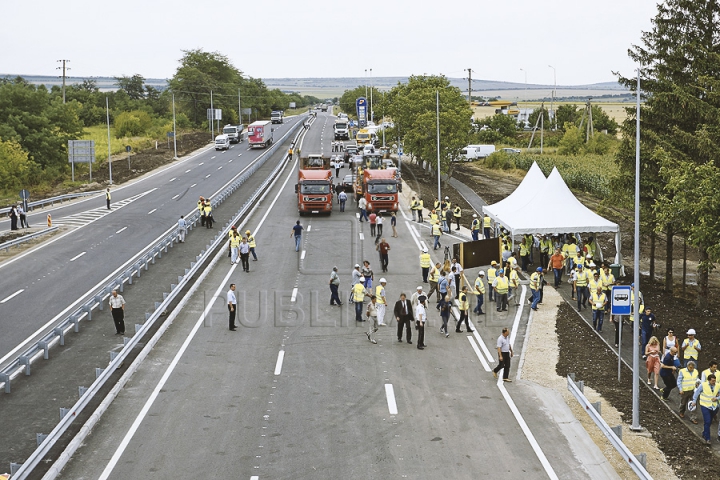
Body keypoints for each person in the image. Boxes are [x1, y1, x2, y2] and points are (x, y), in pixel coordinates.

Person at [690, 374, 719, 445]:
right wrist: (694, 401)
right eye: (712, 381)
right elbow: (697, 392)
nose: (714, 382)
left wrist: (717, 398)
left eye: (715, 380)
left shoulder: (718, 385)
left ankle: (704, 433)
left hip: (714, 407)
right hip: (705, 405)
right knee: (708, 421)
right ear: (709, 380)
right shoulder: (703, 385)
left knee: (708, 421)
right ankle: (707, 439)